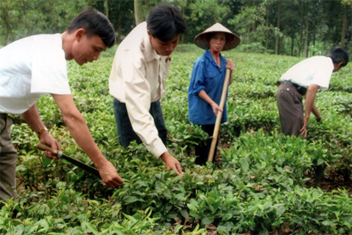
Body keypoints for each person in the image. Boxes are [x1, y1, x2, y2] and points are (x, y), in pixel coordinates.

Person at [0, 9, 124, 202]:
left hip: (3, 120)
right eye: (96, 49)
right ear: (80, 35)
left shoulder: (46, 47)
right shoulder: (50, 54)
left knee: (6, 192)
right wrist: (102, 164)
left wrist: (42, 132)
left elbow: (25, 97)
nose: (96, 58)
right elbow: (71, 116)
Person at [109, 4, 186, 175]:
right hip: (128, 104)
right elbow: (138, 113)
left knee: (160, 137)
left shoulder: (160, 34)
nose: (170, 49)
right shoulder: (132, 56)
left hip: (152, 99)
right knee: (134, 156)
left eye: (174, 42)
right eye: (164, 44)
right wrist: (165, 156)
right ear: (150, 35)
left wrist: (163, 153)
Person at [188, 23, 241, 165]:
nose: (218, 42)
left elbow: (226, 83)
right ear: (209, 41)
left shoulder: (224, 62)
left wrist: (231, 71)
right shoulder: (201, 62)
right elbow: (197, 88)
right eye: (215, 38)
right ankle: (201, 174)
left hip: (216, 111)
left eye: (222, 39)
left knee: (214, 142)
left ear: (226, 42)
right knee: (202, 150)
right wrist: (212, 103)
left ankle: (210, 170)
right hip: (202, 112)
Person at [277, 46, 349, 138]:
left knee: (294, 133)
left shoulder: (320, 60)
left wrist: (318, 117)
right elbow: (312, 89)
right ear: (340, 64)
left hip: (288, 91)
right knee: (297, 135)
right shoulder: (328, 65)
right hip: (289, 92)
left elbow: (308, 96)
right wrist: (306, 117)